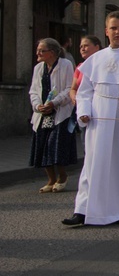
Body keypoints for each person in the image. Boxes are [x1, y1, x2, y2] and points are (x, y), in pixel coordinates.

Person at [63, 10, 119, 226]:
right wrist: (84, 111)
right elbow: (84, 91)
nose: (117, 32)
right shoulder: (95, 60)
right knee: (93, 163)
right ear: (106, 31)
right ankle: (83, 210)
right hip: (99, 118)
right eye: (113, 28)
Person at [29, 38, 76, 193]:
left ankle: (62, 176)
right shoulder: (38, 68)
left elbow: (69, 88)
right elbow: (34, 90)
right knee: (42, 145)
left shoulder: (65, 65)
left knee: (55, 145)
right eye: (38, 50)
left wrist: (54, 103)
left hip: (59, 112)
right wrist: (38, 106)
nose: (38, 53)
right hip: (42, 114)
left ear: (52, 52)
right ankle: (50, 179)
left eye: (42, 50)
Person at [70, 35, 103, 152]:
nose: (83, 49)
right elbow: (73, 88)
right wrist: (74, 98)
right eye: (81, 47)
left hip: (99, 110)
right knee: (87, 145)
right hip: (83, 109)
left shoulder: (102, 65)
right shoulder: (80, 67)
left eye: (86, 46)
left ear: (97, 47)